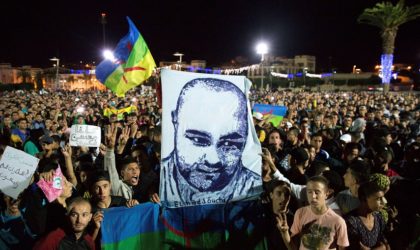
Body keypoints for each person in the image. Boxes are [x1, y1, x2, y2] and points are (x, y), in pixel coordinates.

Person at [160, 78, 261, 207]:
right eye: (198, 140)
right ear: (175, 121)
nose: (213, 160)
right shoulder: (155, 181)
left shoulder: (256, 190)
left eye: (228, 144)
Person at [277, 176, 349, 250]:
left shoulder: (338, 221)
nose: (313, 196)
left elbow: (342, 248)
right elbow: (293, 247)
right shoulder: (300, 213)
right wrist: (285, 233)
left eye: (317, 192)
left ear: (327, 194)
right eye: (309, 192)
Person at [345, 181, 390, 250]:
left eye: (383, 197)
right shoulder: (351, 221)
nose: (384, 202)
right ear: (364, 199)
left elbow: (387, 246)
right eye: (378, 198)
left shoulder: (379, 217)